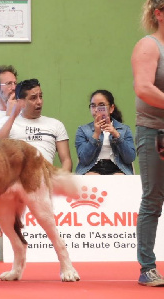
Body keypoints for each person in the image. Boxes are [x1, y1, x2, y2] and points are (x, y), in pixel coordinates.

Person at [132, 0, 164, 287]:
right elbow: (143, 88)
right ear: (159, 14)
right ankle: (147, 267)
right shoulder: (149, 46)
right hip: (155, 132)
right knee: (153, 199)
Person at [0, 79, 72, 172]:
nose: (39, 102)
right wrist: (13, 116)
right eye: (33, 98)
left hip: (46, 177)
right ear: (20, 102)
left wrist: (61, 180)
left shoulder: (55, 124)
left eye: (41, 96)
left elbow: (66, 160)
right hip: (17, 178)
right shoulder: (6, 122)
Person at [75, 90, 136, 175]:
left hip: (117, 169)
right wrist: (96, 135)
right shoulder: (83, 130)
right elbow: (84, 159)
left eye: (101, 106)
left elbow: (130, 158)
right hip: (91, 168)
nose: (96, 110)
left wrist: (116, 135)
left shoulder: (124, 129)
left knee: (119, 179)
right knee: (91, 177)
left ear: (111, 108)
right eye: (93, 106)